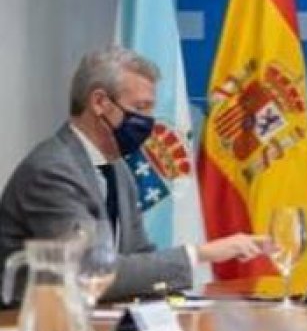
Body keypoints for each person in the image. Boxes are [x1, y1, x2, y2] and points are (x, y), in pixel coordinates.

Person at [0, 47, 266, 302]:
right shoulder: (52, 171)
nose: (150, 121)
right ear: (100, 102)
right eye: (140, 108)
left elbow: (138, 255)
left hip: (100, 323)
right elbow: (88, 271)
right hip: (33, 329)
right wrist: (200, 254)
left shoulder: (118, 167)